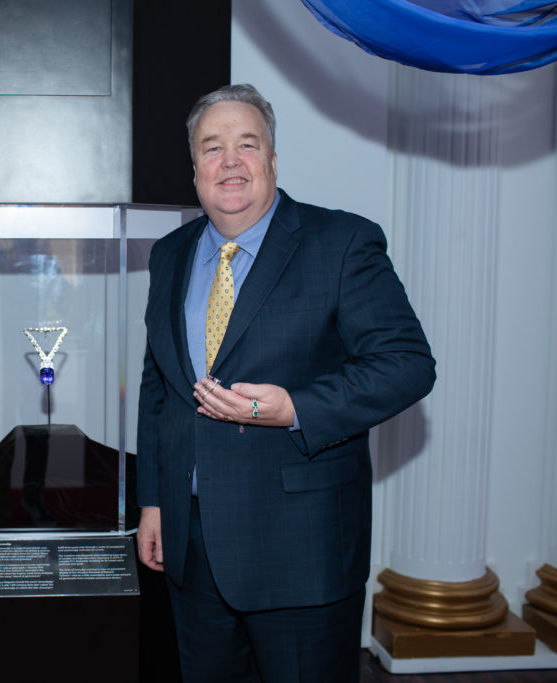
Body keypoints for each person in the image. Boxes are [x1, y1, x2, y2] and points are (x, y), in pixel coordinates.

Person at [135, 84, 436, 682]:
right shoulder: (169, 254)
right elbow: (159, 385)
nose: (230, 161)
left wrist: (295, 407)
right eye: (212, 147)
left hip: (300, 551)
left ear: (273, 160)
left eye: (247, 144)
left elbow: (407, 363)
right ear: (194, 169)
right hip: (192, 548)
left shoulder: (342, 243)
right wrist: (152, 501)